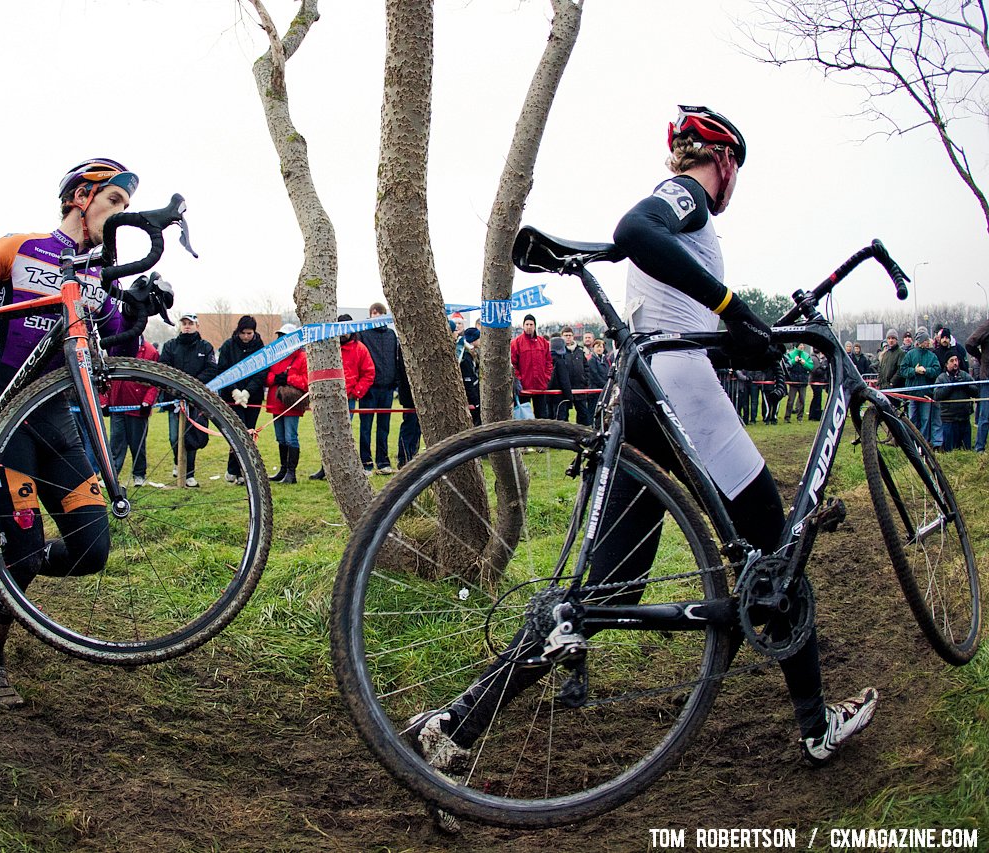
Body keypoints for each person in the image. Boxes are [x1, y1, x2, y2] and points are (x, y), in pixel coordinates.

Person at [408, 107, 876, 812]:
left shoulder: (690, 220)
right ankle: (816, 726)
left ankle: (454, 722)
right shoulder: (686, 196)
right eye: (734, 171)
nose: (732, 184)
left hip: (646, 398)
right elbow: (635, 233)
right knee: (777, 555)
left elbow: (684, 305)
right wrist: (731, 306)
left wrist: (741, 327)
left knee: (601, 596)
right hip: (683, 395)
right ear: (721, 161)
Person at [0, 157, 145, 708]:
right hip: (9, 421)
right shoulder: (21, 247)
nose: (122, 215)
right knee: (24, 545)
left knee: (92, 549)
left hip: (58, 422)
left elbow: (119, 339)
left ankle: (7, 572)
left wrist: (141, 311)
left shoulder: (99, 273)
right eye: (115, 203)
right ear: (81, 196)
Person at [311, 314, 375, 480]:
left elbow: (368, 373)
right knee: (327, 433)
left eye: (346, 329)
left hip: (348, 398)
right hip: (328, 397)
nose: (343, 333)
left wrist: (356, 392)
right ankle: (326, 467)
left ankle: (343, 467)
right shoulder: (328, 347)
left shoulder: (360, 348)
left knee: (342, 434)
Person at [158, 313, 218, 487]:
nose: (187, 326)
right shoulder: (170, 346)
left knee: (192, 438)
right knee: (174, 437)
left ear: (197, 326)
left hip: (196, 400)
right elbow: (164, 368)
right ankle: (178, 463)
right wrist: (177, 388)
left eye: (190, 323)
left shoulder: (206, 347)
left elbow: (211, 369)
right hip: (174, 399)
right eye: (184, 323)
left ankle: (190, 473)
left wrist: (192, 385)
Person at [216, 315, 266, 484]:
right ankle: (233, 470)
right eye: (243, 333)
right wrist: (235, 391)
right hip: (232, 397)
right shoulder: (228, 346)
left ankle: (244, 471)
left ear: (254, 332)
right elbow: (223, 369)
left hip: (252, 397)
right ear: (238, 331)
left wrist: (247, 392)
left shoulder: (260, 347)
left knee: (249, 433)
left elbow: (261, 372)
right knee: (237, 432)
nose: (246, 336)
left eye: (249, 333)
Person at [106, 331, 160, 486]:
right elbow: (107, 378)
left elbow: (155, 381)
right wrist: (105, 400)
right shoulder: (116, 350)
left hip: (138, 407)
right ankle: (112, 475)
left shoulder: (150, 352)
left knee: (138, 444)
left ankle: (139, 475)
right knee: (116, 443)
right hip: (117, 406)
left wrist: (147, 402)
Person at [358, 303, 400, 474]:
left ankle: (383, 462)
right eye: (374, 313)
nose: (377, 316)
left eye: (380, 313)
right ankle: (366, 462)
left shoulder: (391, 335)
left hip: (387, 388)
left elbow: (395, 359)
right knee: (365, 428)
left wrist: (395, 383)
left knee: (384, 427)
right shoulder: (363, 333)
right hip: (369, 389)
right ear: (371, 314)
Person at [265, 323, 309, 484]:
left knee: (291, 437)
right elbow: (267, 376)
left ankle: (291, 472)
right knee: (280, 437)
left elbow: (307, 381)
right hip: (276, 401)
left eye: (285, 336)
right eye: (280, 336)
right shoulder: (275, 356)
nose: (281, 339)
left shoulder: (302, 357)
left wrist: (289, 379)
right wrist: (275, 379)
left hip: (291, 403)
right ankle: (283, 469)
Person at [899, 329, 940, 444]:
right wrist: (914, 371)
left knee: (925, 419)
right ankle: (912, 442)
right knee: (912, 419)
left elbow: (937, 370)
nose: (928, 342)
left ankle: (924, 443)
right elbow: (903, 370)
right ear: (921, 341)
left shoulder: (932, 356)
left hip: (926, 394)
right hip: (912, 394)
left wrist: (926, 371)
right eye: (926, 340)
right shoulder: (910, 355)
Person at [511, 314, 553, 419]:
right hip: (524, 387)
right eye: (527, 324)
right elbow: (513, 364)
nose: (529, 326)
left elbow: (549, 362)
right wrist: (519, 379)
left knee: (542, 415)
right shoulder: (516, 343)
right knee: (524, 416)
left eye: (531, 324)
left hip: (540, 386)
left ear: (535, 326)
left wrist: (546, 377)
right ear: (523, 326)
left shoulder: (543, 343)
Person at [932, 354, 974, 451]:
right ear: (947, 364)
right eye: (952, 361)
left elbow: (976, 391)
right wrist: (950, 386)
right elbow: (937, 395)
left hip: (964, 418)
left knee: (966, 450)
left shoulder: (965, 375)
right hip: (949, 419)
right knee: (949, 451)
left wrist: (965, 386)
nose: (955, 363)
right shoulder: (941, 378)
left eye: (956, 360)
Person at [965, 318, 989, 453]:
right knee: (985, 415)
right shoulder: (987, 326)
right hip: (988, 378)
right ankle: (979, 448)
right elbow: (969, 343)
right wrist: (980, 357)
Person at [784, 344, 813, 422]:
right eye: (800, 345)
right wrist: (794, 361)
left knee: (802, 400)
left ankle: (800, 417)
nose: (802, 347)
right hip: (793, 381)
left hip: (803, 381)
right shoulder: (790, 354)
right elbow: (786, 366)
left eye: (803, 345)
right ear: (797, 346)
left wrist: (804, 363)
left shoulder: (806, 355)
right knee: (791, 400)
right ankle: (787, 417)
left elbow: (811, 367)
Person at [460, 327, 481, 426]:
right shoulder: (466, 358)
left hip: (475, 394)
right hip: (472, 398)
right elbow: (468, 381)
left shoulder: (473, 355)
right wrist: (475, 401)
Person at [807, 349, 828, 421]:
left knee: (817, 398)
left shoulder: (816, 358)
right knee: (817, 398)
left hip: (818, 380)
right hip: (816, 380)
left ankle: (815, 414)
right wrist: (823, 368)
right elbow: (816, 370)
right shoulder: (814, 358)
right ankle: (814, 415)